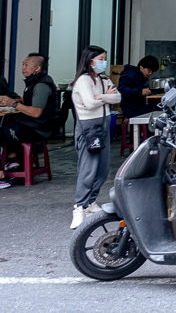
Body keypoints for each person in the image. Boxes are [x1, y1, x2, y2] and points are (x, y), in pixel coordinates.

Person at [70, 45, 121, 229]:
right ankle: (79, 207)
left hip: (105, 125)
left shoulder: (103, 79)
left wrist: (102, 96)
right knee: (88, 168)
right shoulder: (83, 81)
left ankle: (91, 202)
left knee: (103, 168)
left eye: (104, 58)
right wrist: (104, 97)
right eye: (100, 59)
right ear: (90, 60)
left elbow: (118, 98)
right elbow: (90, 103)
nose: (103, 62)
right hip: (89, 128)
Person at [0, 54, 60, 189]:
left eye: (27, 65)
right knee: (7, 124)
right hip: (33, 125)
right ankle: (14, 161)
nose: (23, 68)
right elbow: (28, 101)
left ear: (37, 68)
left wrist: (13, 104)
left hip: (40, 129)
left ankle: (2, 177)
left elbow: (36, 112)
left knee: (3, 131)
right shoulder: (33, 82)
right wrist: (15, 101)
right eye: (23, 64)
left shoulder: (41, 85)